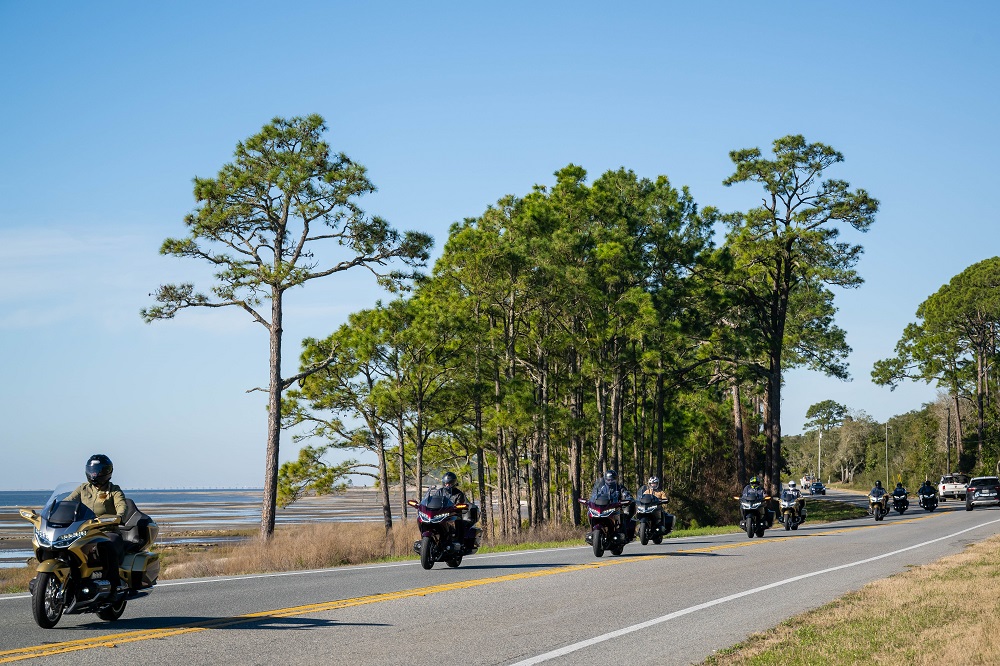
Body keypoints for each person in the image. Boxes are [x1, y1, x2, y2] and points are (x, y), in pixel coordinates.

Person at [66, 454, 126, 601]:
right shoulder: (83, 488)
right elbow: (67, 502)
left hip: (107, 531)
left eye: (98, 470)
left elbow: (121, 505)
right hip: (85, 532)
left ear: (106, 472)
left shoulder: (113, 490)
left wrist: (119, 516)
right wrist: (54, 511)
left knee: (108, 546)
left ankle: (114, 586)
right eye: (92, 470)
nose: (95, 474)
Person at [592, 470, 635, 538]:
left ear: (615, 479)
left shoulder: (619, 488)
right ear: (605, 479)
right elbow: (595, 496)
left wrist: (628, 498)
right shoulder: (602, 488)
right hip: (604, 508)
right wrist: (591, 501)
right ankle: (594, 533)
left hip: (616, 507)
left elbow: (626, 494)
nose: (610, 481)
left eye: (612, 479)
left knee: (623, 515)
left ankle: (623, 534)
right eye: (608, 479)